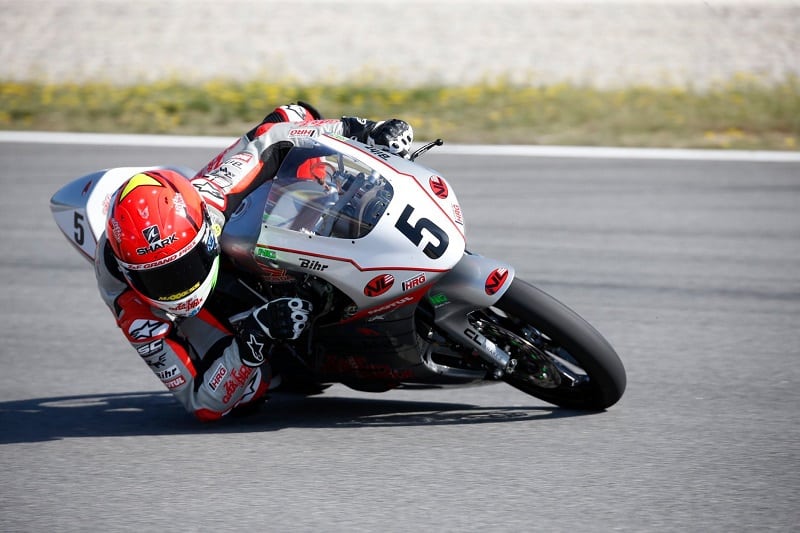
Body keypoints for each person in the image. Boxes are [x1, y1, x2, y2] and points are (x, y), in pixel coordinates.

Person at [96, 103, 414, 421]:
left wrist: (364, 129)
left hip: (216, 217)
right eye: (159, 279)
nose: (177, 285)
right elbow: (201, 401)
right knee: (249, 391)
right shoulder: (133, 307)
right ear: (130, 273)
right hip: (205, 313)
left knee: (296, 117)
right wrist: (255, 334)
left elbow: (272, 135)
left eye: (183, 267)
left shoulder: (213, 197)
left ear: (204, 236)